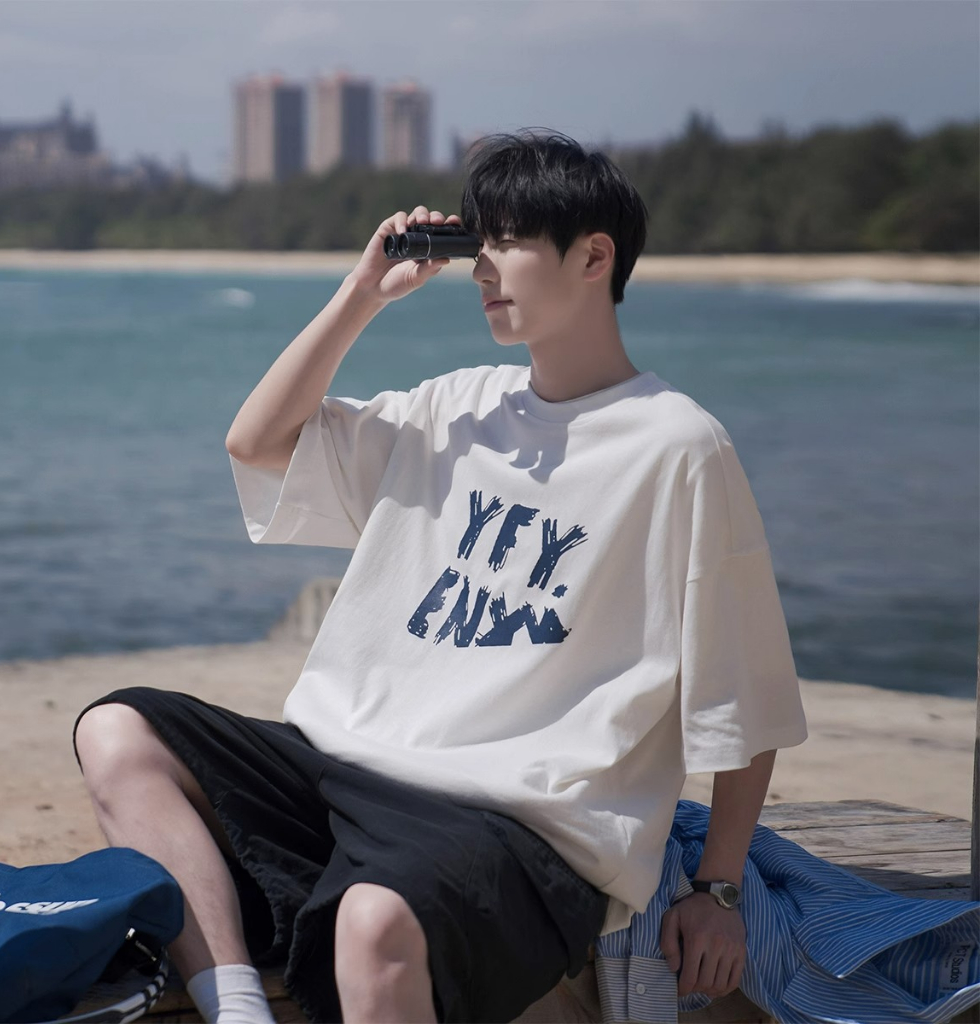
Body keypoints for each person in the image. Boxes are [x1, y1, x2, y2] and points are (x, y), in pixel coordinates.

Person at [72, 128, 809, 1024]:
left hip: (516, 822)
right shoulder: (457, 407)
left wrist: (718, 889)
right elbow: (257, 443)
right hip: (339, 768)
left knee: (374, 921)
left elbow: (744, 691)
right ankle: (237, 1010)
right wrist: (361, 294)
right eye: (477, 244)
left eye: (507, 243)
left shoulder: (678, 446)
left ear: (594, 257)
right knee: (117, 730)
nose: (481, 270)